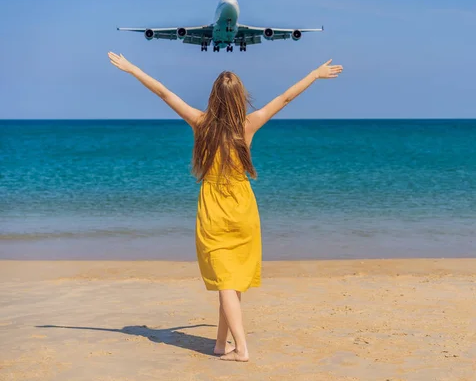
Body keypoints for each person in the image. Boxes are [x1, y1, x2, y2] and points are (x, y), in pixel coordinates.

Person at [107, 51, 343, 362]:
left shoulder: (200, 122)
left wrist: (133, 68)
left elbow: (164, 92)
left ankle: (241, 349)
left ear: (214, 97)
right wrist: (315, 74)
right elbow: (284, 98)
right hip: (244, 208)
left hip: (214, 211)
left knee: (225, 281)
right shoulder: (249, 125)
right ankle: (221, 344)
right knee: (229, 281)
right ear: (240, 98)